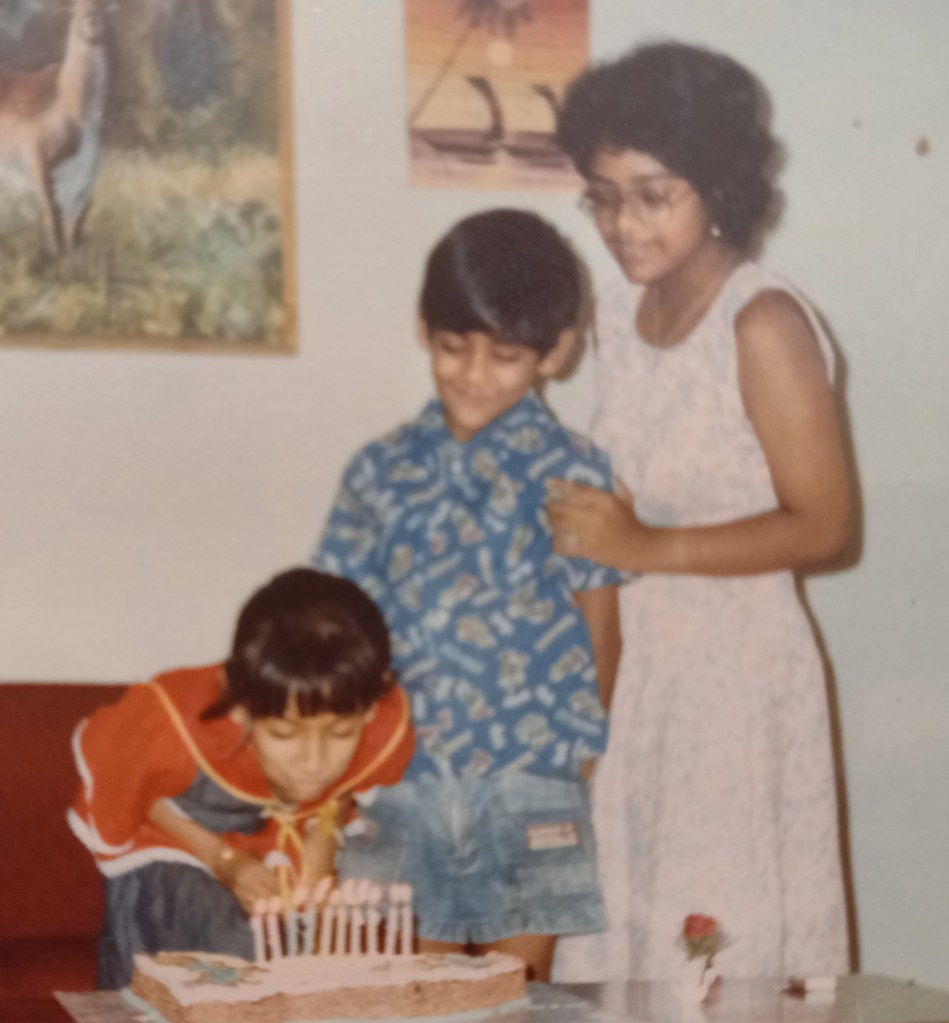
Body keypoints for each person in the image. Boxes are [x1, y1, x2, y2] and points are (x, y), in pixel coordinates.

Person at [546, 41, 854, 982]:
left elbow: (826, 526)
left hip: (732, 685)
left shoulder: (762, 323)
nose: (621, 224)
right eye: (600, 195)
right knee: (631, 946)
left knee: (716, 963)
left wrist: (643, 542)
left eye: (651, 194)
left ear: (715, 185)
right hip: (641, 680)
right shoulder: (616, 309)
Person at [313, 209, 623, 981]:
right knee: (418, 993)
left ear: (554, 352)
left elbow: (598, 620)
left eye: (506, 355)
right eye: (454, 347)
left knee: (515, 997)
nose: (474, 374)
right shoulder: (379, 472)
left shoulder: (574, 473)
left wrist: (577, 756)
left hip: (530, 781)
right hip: (402, 782)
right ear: (424, 328)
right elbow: (331, 625)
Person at [68, 568, 413, 989]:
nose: (314, 763)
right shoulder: (170, 721)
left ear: (370, 710)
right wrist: (222, 860)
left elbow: (339, 796)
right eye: (285, 734)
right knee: (222, 944)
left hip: (281, 844)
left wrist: (323, 838)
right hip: (177, 846)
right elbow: (134, 796)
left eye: (341, 734)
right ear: (242, 708)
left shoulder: (383, 720)